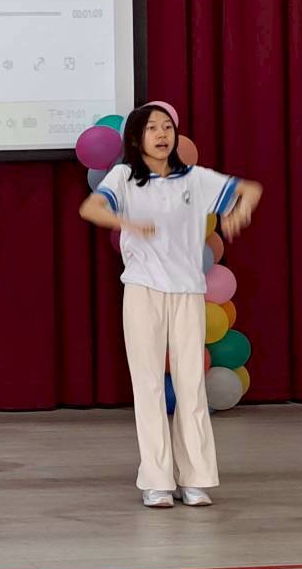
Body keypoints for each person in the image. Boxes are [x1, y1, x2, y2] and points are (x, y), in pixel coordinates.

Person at [80, 103, 262, 508]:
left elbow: (249, 189)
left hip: (188, 292)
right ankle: (156, 480)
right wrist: (126, 223)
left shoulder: (194, 179)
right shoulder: (124, 177)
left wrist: (241, 211)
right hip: (142, 290)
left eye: (167, 127)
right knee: (147, 385)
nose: (162, 134)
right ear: (135, 138)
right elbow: (91, 207)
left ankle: (195, 478)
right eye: (152, 128)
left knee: (190, 385)